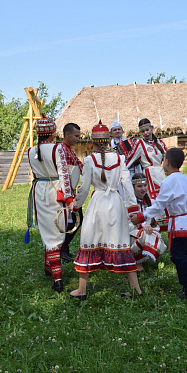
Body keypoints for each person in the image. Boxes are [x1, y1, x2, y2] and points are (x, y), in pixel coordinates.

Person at [68, 120, 142, 300]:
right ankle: (136, 290)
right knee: (121, 242)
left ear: (92, 142)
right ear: (109, 141)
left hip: (98, 203)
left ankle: (82, 290)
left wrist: (75, 205)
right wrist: (133, 209)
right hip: (115, 203)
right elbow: (127, 185)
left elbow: (84, 188)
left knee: (89, 240)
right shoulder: (120, 158)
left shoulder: (88, 160)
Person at [131, 148, 187, 299]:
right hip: (185, 222)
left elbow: (159, 205)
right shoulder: (185, 179)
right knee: (180, 255)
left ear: (167, 162)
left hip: (178, 223)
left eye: (163, 160)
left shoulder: (168, 182)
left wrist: (141, 216)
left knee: (177, 257)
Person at [27, 115, 74, 293]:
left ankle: (49, 267)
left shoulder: (31, 151)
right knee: (58, 233)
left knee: (48, 231)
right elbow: (64, 175)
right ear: (53, 133)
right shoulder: (58, 149)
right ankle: (58, 279)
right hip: (56, 191)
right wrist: (69, 198)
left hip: (39, 191)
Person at [129, 173, 167, 272]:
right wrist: (143, 225)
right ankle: (136, 261)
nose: (143, 189)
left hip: (147, 230)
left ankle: (143, 256)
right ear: (132, 187)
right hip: (130, 233)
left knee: (152, 233)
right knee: (142, 233)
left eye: (145, 185)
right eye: (139, 186)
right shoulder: (128, 204)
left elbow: (154, 222)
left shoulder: (151, 202)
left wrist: (150, 227)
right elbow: (127, 224)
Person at [58, 123, 83, 261]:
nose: (78, 139)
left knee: (75, 219)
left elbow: (81, 166)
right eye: (76, 136)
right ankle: (62, 248)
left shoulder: (71, 151)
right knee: (73, 220)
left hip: (72, 192)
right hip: (64, 193)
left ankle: (64, 248)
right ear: (67, 134)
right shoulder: (60, 149)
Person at [126, 118, 167, 200]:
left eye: (147, 130)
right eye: (143, 131)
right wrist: (120, 170)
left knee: (164, 196)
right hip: (149, 174)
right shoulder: (139, 143)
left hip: (161, 173)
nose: (146, 133)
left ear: (151, 129)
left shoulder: (160, 143)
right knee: (153, 199)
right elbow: (130, 158)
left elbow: (168, 158)